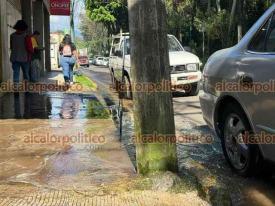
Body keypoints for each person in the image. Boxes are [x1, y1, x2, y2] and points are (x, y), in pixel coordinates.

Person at [10, 20, 31, 84]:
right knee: (26, 75)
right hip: (25, 59)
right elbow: (30, 48)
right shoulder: (26, 36)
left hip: (14, 58)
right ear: (24, 28)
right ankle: (26, 89)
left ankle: (16, 91)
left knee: (16, 75)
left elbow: (11, 47)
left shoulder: (12, 35)